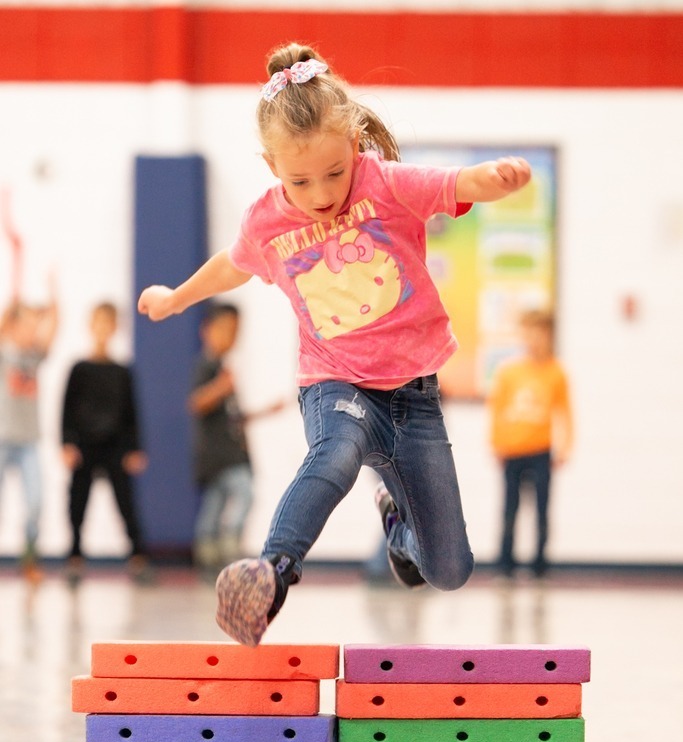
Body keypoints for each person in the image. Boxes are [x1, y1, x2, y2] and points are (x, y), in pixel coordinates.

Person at [138, 42, 531, 646]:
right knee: (337, 454)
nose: (320, 193)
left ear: (354, 146)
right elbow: (231, 266)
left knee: (450, 570)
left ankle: (398, 529)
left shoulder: (386, 185)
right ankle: (271, 573)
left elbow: (455, 182)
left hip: (415, 397)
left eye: (334, 173)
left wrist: (497, 179)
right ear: (272, 166)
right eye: (300, 180)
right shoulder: (267, 221)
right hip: (336, 383)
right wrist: (176, 298)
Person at [190, 303, 285, 573]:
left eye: (235, 331)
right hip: (216, 454)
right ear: (207, 331)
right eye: (225, 330)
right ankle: (225, 548)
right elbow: (196, 403)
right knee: (243, 493)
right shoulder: (207, 365)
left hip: (230, 452)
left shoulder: (222, 367)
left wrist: (266, 411)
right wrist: (221, 387)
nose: (231, 337)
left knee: (215, 505)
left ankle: (211, 556)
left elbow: (234, 416)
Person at [61, 302, 150, 582]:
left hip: (115, 447)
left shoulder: (121, 371)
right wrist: (66, 443)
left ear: (115, 328)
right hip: (84, 446)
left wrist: (135, 448)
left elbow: (131, 412)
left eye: (107, 323)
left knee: (126, 503)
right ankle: (75, 556)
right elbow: (66, 409)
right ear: (90, 325)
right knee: (77, 503)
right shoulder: (79, 369)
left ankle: (138, 557)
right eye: (97, 322)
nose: (102, 328)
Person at [488, 309, 573, 578]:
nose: (534, 340)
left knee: (541, 510)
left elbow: (565, 412)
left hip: (541, 451)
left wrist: (565, 446)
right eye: (529, 334)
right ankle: (505, 563)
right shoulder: (509, 372)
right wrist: (496, 443)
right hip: (513, 450)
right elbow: (498, 410)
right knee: (510, 508)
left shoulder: (556, 373)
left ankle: (539, 563)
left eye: (540, 334)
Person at [0, 291, 58, 582]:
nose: (32, 333)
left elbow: (52, 330)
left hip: (29, 442)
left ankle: (29, 558)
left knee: (36, 502)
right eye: (27, 326)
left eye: (35, 327)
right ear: (14, 326)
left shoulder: (34, 357)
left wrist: (53, 298)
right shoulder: (4, 351)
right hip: (2, 438)